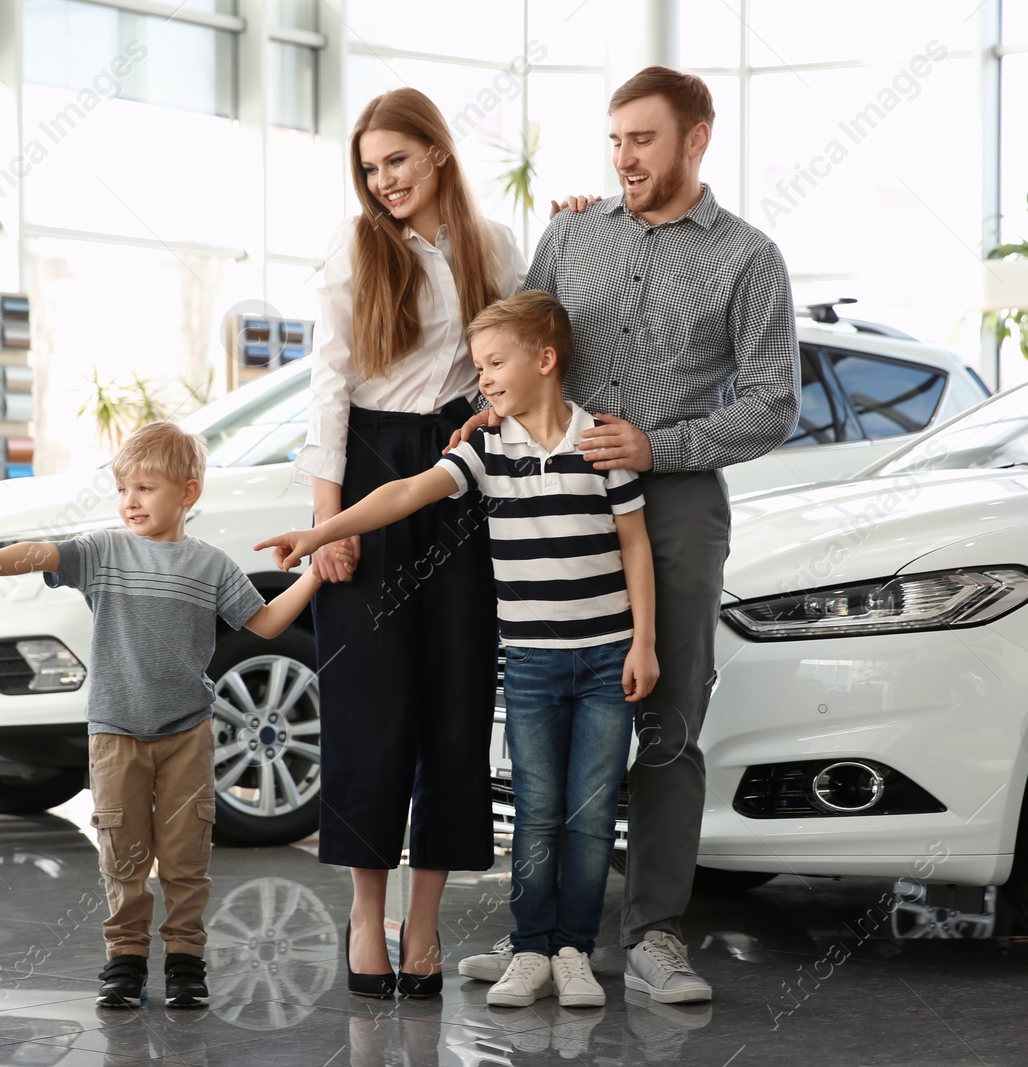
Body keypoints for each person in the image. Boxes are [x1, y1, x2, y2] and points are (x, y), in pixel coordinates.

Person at [451, 66, 800, 1004]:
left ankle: (652, 933)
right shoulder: (571, 231)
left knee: (667, 723)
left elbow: (775, 404)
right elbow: (519, 344)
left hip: (675, 502)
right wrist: (486, 414)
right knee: (545, 716)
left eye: (642, 139)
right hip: (551, 498)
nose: (624, 157)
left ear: (697, 139)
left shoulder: (748, 257)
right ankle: (547, 935)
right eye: (615, 140)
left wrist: (660, 444)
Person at [260, 289, 658, 1010]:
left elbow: (636, 545)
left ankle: (572, 950)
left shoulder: (602, 441)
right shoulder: (485, 449)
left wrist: (645, 643)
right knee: (537, 808)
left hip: (606, 657)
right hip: (533, 662)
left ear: (545, 358)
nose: (483, 380)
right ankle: (532, 945)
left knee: (592, 811)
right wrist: (320, 530)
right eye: (477, 367)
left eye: (495, 363)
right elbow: (408, 491)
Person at [0, 421, 324, 1009]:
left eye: (146, 489)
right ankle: (125, 960)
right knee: (123, 853)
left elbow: (262, 625)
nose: (130, 502)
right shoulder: (104, 552)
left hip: (188, 732)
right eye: (123, 489)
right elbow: (39, 554)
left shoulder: (210, 566)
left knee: (187, 857)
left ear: (187, 493)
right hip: (114, 732)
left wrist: (312, 574)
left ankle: (186, 961)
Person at [293, 86, 527, 998]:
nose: (382, 180)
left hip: (463, 466)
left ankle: (422, 922)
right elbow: (328, 382)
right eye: (368, 167)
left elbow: (526, 343)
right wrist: (326, 525)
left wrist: (492, 420)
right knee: (368, 704)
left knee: (457, 703)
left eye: (395, 159)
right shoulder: (357, 247)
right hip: (368, 463)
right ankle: (364, 917)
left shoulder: (495, 244)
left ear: (436, 152)